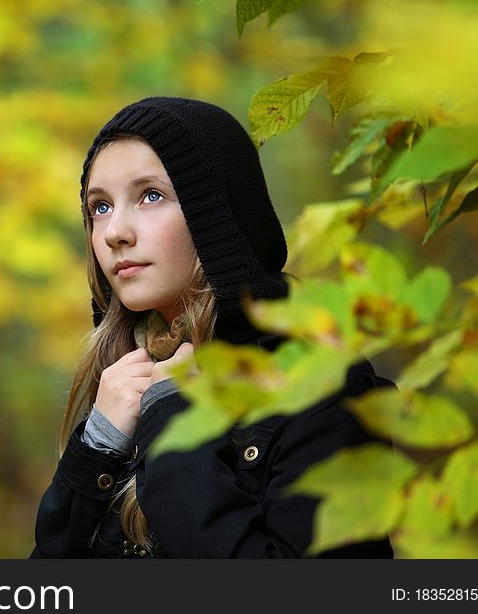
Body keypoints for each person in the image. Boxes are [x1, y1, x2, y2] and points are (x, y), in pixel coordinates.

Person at [30, 97, 394, 558]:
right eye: (99, 207)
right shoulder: (123, 384)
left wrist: (173, 426)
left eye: (151, 195)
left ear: (218, 213)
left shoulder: (320, 384)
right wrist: (98, 448)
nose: (114, 232)